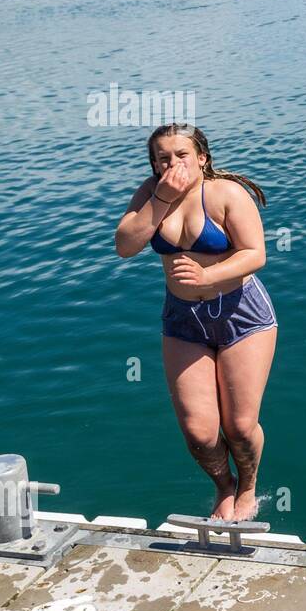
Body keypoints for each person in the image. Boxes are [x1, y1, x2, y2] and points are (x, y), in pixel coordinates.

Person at [115, 124, 276, 521]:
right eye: (162, 158)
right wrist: (161, 198)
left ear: (201, 157)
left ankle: (249, 485)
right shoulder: (150, 194)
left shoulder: (225, 194)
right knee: (200, 434)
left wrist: (207, 276)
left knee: (239, 426)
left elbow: (255, 254)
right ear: (153, 163)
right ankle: (224, 485)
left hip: (240, 312)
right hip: (184, 319)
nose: (172, 163)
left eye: (181, 155)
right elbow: (125, 246)